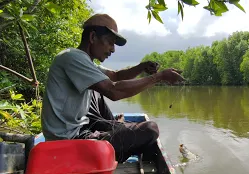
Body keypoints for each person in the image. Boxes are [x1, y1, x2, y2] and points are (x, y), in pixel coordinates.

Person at [40, 13, 185, 163]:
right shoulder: (73, 58)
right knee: (151, 129)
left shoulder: (83, 61)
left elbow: (115, 76)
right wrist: (158, 77)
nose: (113, 49)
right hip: (69, 143)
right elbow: (113, 90)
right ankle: (115, 138)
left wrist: (141, 67)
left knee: (97, 89)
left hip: (77, 132)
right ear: (92, 37)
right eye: (110, 42)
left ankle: (115, 128)